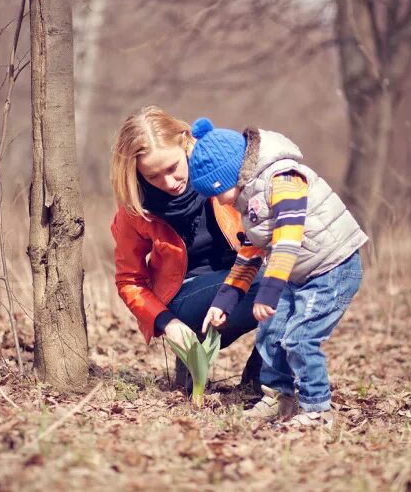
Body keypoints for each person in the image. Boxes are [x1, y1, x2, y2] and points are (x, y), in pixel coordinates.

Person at [187, 117, 367, 428]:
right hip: (301, 273)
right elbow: (251, 251)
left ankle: (317, 409)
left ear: (230, 175)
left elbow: (288, 238)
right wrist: (223, 302)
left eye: (216, 192)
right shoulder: (248, 200)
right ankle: (278, 397)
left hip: (332, 268)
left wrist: (268, 291)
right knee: (270, 331)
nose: (216, 201)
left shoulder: (283, 179)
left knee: (299, 338)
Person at [110, 106, 263, 393]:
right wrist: (167, 323)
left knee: (287, 283)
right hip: (184, 297)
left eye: (172, 168)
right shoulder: (134, 208)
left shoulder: (221, 169)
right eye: (153, 176)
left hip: (240, 277)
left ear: (185, 143)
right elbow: (130, 281)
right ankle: (192, 350)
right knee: (269, 282)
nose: (169, 183)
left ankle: (260, 382)